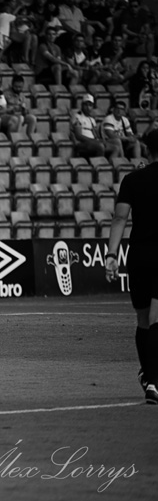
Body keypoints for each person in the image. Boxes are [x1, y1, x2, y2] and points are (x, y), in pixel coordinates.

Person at [105, 130, 158, 405]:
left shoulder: (132, 179)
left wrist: (112, 254)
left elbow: (119, 218)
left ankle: (148, 376)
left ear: (147, 150)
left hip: (138, 255)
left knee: (142, 319)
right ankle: (154, 382)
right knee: (157, 318)